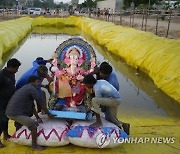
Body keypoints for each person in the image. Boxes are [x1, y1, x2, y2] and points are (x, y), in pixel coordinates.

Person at [6, 76, 55, 151]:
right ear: (33, 82)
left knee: (24, 123)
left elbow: (32, 106)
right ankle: (34, 146)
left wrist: (38, 117)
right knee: (33, 124)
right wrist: (49, 114)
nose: (39, 84)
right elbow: (41, 103)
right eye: (38, 82)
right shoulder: (32, 89)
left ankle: (19, 137)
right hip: (15, 113)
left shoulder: (26, 88)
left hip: (11, 112)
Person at [0, 58, 21, 148]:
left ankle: (6, 134)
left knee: (7, 119)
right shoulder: (1, 75)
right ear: (10, 67)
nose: (17, 71)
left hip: (8, 101)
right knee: (2, 120)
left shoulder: (11, 74)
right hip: (1, 102)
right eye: (16, 69)